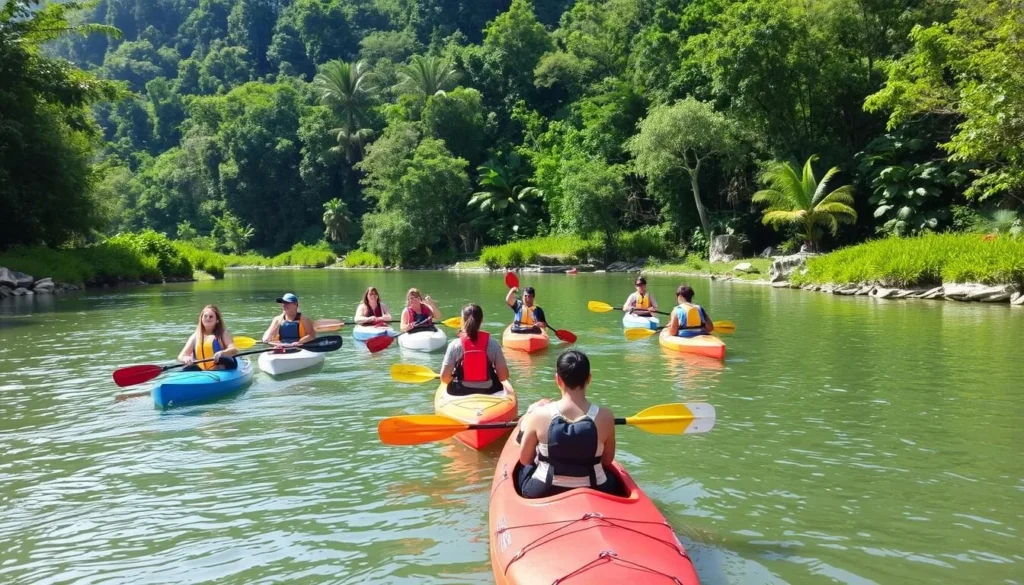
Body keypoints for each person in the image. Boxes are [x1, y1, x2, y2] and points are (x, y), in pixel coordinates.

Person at [516, 350, 621, 498]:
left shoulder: (538, 415)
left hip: (545, 490)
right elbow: (607, 460)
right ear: (589, 379)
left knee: (522, 471)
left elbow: (525, 459)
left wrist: (528, 415)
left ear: (558, 379)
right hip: (597, 488)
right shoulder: (606, 416)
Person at [440, 304, 511, 396]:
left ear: (462, 321)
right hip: (489, 390)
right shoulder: (494, 344)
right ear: (482, 321)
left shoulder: (454, 345)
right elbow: (504, 376)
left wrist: (454, 376)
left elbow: (444, 378)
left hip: (461, 391)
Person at [177, 305, 238, 370]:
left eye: (211, 317)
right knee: (188, 368)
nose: (208, 318)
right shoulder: (194, 337)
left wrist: (222, 353)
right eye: (205, 316)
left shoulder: (222, 334)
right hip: (202, 372)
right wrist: (185, 358)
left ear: (217, 320)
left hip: (221, 368)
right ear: (201, 318)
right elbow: (181, 356)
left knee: (222, 359)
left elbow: (234, 350)